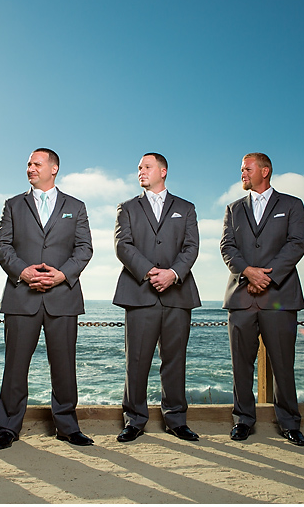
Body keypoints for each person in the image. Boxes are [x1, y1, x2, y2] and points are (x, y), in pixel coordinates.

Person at [0, 148, 94, 450]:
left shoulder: (76, 206)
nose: (30, 168)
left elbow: (84, 248)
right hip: (21, 297)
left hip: (63, 297)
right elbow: (2, 245)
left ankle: (67, 426)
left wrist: (62, 275)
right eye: (28, 164)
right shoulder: (13, 205)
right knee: (15, 366)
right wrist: (23, 272)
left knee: (64, 366)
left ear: (54, 169)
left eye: (36, 164)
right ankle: (8, 428)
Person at [220, 152, 304, 447]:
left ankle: (289, 423)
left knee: (283, 364)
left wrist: (266, 277)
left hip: (280, 297)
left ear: (265, 171)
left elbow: (297, 244)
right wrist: (248, 272)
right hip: (241, 298)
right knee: (240, 366)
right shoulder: (233, 209)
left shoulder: (292, 205)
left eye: (247, 168)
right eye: (241, 169)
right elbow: (227, 246)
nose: (242, 173)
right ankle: (243, 420)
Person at [112, 153, 201, 443]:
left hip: (178, 294)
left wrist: (173, 274)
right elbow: (122, 245)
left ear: (163, 171)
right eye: (139, 167)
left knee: (175, 360)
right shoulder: (127, 208)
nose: (141, 171)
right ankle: (134, 420)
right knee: (136, 361)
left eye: (146, 167)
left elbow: (191, 247)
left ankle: (176, 420)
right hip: (139, 293)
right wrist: (150, 272)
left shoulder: (186, 208)